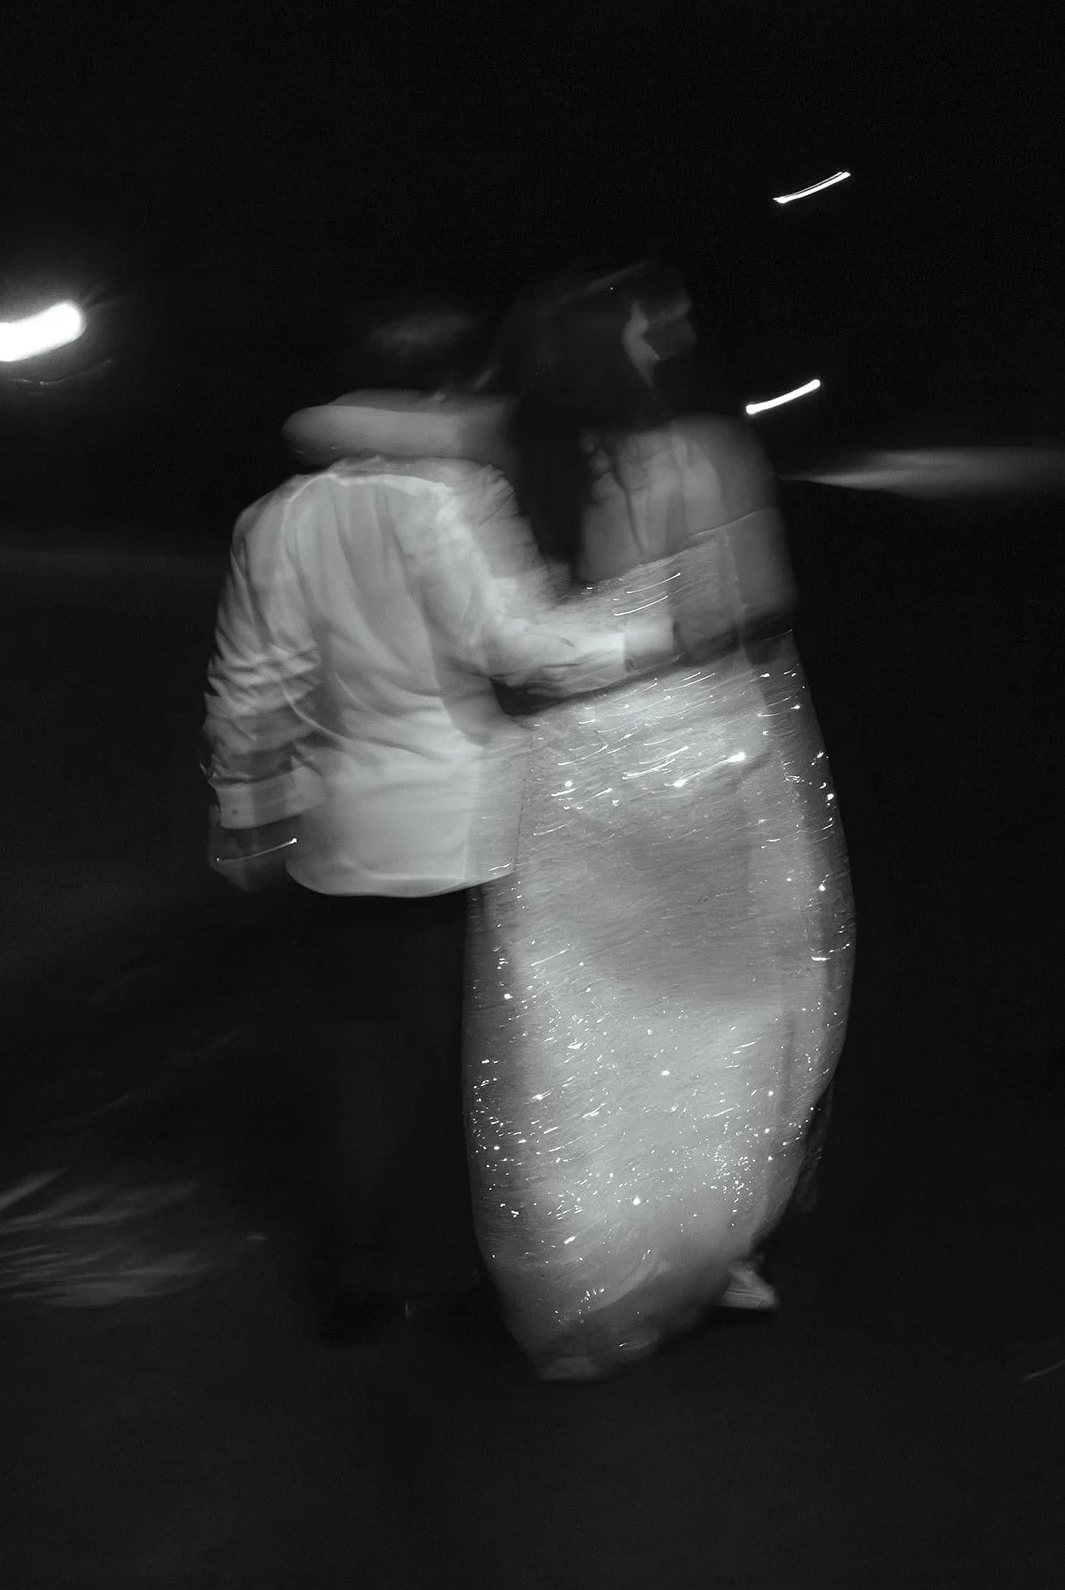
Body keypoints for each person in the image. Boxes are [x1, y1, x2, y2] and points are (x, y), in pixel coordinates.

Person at [295, 263, 856, 1380]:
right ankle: (702, 1240)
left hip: (566, 764)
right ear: (617, 350)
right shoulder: (703, 452)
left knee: (577, 1022)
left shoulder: (503, 453)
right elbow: (746, 605)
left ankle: (588, 1258)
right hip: (696, 746)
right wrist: (660, 610)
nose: (679, 335)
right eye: (658, 327)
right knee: (730, 1004)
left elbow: (326, 425)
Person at [200, 298, 677, 1344]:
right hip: (453, 825)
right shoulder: (449, 500)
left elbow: (253, 686)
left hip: (336, 831)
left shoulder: (279, 515)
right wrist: (645, 629)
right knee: (446, 1056)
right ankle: (427, 1265)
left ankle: (355, 1267)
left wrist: (247, 813)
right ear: (448, 391)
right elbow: (519, 645)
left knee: (356, 1051)